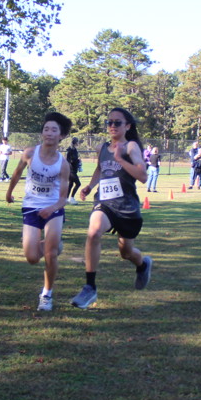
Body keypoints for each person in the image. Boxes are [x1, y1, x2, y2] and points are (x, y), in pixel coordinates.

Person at [71, 107, 152, 310]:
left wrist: (120, 159)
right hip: (105, 203)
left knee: (126, 252)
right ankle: (90, 287)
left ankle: (142, 264)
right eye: (109, 122)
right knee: (93, 232)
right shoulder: (102, 147)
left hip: (127, 207)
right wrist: (90, 186)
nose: (112, 126)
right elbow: (100, 168)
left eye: (117, 122)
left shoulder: (131, 147)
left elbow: (143, 176)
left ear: (127, 126)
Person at [6, 112, 72, 311]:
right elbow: (17, 172)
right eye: (46, 129)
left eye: (54, 130)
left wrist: (51, 208)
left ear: (61, 136)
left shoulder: (63, 164)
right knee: (32, 257)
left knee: (50, 255)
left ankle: (46, 295)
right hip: (30, 206)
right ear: (42, 133)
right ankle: (55, 244)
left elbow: (63, 199)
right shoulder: (29, 153)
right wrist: (9, 193)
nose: (49, 133)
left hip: (53, 208)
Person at [65, 137, 82, 203]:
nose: (78, 143)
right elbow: (71, 160)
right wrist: (78, 161)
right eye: (77, 141)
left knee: (71, 184)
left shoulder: (74, 149)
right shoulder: (71, 150)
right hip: (71, 170)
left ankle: (66, 199)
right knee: (78, 184)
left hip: (73, 170)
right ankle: (72, 198)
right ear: (75, 142)